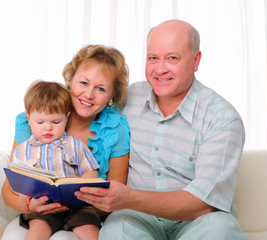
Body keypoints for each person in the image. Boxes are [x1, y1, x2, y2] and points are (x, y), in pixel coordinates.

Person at [75, 19, 248, 239]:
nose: (160, 69)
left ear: (196, 61)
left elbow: (204, 203)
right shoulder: (127, 99)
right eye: (152, 58)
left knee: (220, 230)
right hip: (136, 217)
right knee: (118, 227)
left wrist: (128, 198)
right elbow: (86, 108)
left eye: (172, 58)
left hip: (199, 220)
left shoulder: (222, 119)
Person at [1, 44, 130, 239]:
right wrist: (30, 204)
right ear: (71, 80)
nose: (88, 94)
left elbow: (117, 196)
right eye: (84, 83)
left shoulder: (115, 129)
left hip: (87, 214)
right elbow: (9, 188)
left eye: (101, 89)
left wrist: (80, 200)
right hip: (40, 212)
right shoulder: (38, 118)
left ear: (112, 95)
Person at [11, 80, 101, 240]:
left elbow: (92, 173)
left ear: (66, 118)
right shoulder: (23, 150)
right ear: (28, 118)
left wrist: (77, 184)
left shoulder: (74, 144)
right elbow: (16, 180)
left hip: (76, 207)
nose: (48, 128)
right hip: (43, 209)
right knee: (37, 231)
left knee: (90, 230)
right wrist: (23, 194)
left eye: (56, 122)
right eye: (40, 122)